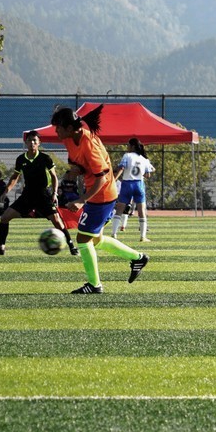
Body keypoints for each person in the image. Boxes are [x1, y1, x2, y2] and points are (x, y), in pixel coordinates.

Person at [51, 106, 149, 294]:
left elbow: (101, 178)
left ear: (71, 128)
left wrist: (82, 200)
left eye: (59, 127)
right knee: (95, 240)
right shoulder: (70, 139)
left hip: (102, 195)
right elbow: (81, 165)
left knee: (82, 239)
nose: (56, 131)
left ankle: (95, 285)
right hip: (97, 193)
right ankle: (138, 258)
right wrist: (76, 171)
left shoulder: (89, 144)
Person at [0, 130, 79, 257]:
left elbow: (54, 177)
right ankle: (1, 247)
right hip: (27, 195)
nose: (32, 142)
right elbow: (15, 177)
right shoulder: (21, 159)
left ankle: (72, 247)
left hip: (43, 195)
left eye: (35, 140)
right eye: (29, 140)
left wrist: (55, 193)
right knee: (5, 218)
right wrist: (6, 191)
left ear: (39, 143)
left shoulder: (45, 158)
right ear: (26, 142)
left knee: (57, 221)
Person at [110, 138, 156, 241]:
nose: (127, 147)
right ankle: (142, 236)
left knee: (120, 210)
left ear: (132, 146)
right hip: (139, 184)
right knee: (141, 211)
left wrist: (113, 180)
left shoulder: (127, 156)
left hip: (127, 184)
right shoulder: (144, 159)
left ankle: (114, 234)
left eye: (128, 145)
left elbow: (121, 168)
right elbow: (148, 174)